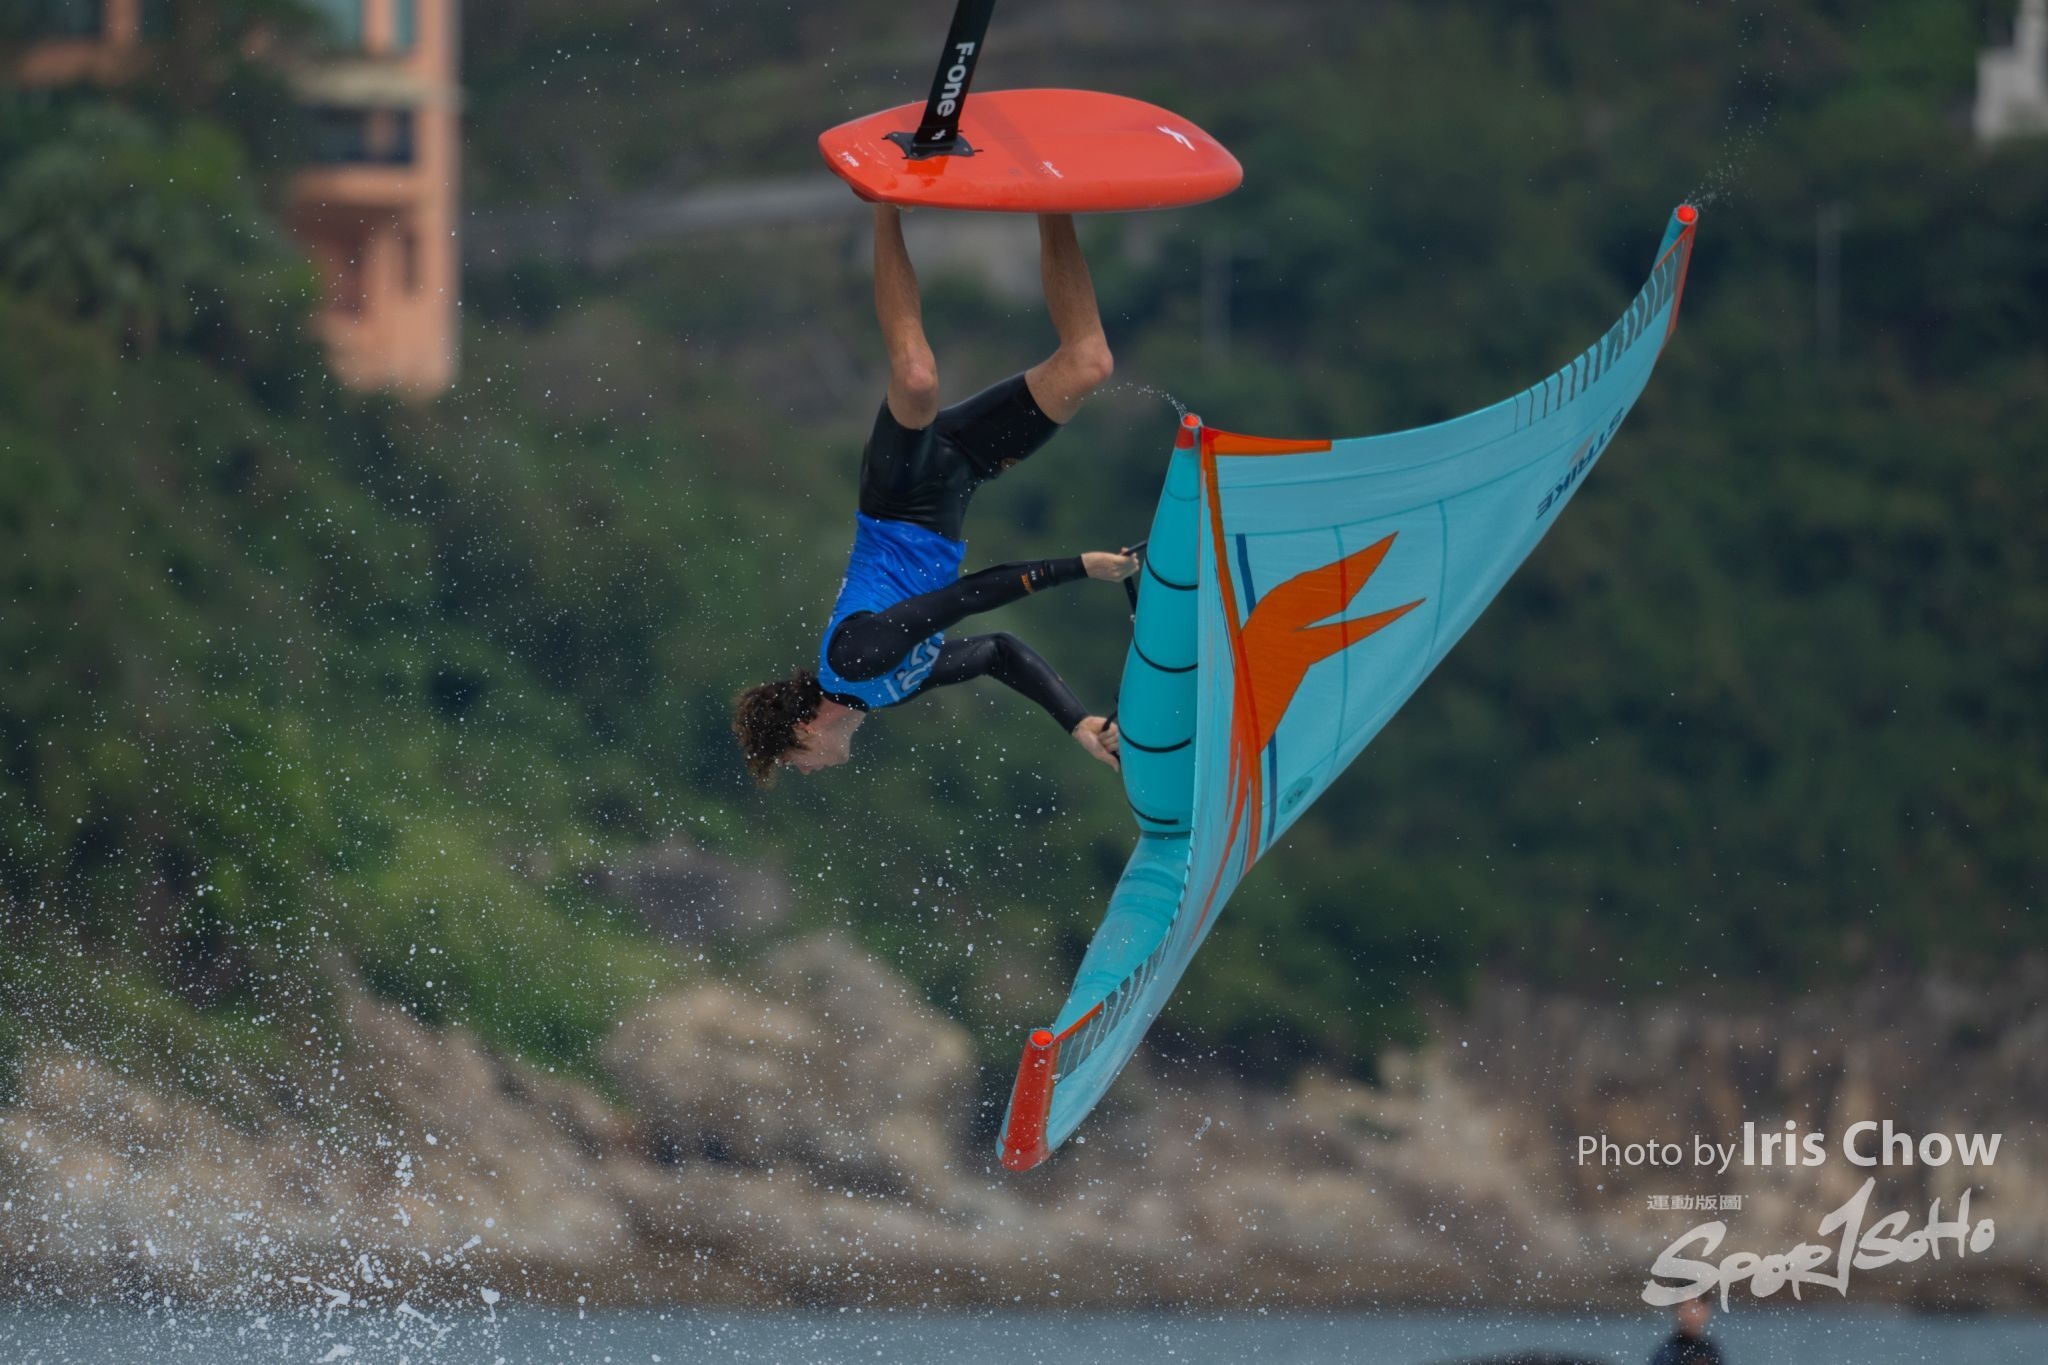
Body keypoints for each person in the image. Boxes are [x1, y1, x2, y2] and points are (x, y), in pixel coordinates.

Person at [732, 203, 1134, 784]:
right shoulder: (891, 689)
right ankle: (1054, 199)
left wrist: (1077, 567)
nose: (808, 772)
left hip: (898, 492)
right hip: (962, 476)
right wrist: (1076, 721)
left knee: (917, 377)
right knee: (1088, 363)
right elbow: (997, 651)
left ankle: (885, 204)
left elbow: (965, 598)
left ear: (803, 731)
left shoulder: (851, 662)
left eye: (796, 764)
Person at [1648, 1295, 1726, 1365]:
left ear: (1706, 1309)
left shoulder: (1711, 1351)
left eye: (1695, 1307)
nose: (1690, 1314)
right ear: (1676, 1310)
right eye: (1685, 1308)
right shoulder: (1667, 1354)